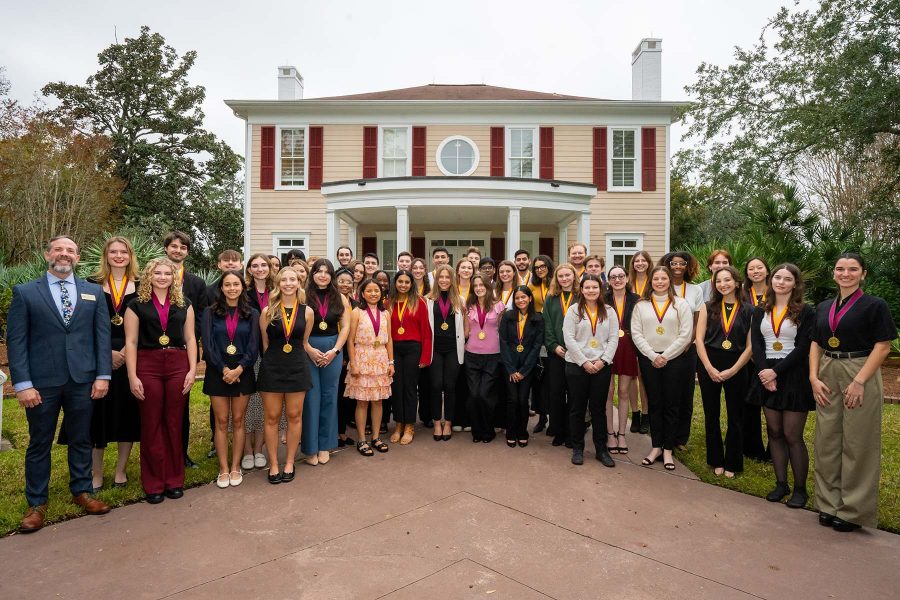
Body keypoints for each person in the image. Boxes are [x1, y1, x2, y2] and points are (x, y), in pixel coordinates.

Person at [8, 236, 113, 532]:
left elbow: (101, 337)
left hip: (83, 380)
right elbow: (17, 343)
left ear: (78, 257)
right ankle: (37, 503)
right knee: (40, 442)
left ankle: (82, 491)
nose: (64, 255)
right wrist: (23, 384)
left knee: (81, 438)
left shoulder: (93, 292)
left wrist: (103, 376)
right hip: (42, 383)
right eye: (58, 250)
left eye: (70, 251)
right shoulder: (26, 293)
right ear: (47, 255)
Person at [809, 253, 894, 532]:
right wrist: (813, 376)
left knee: (858, 442)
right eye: (840, 269)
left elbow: (883, 346)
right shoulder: (823, 307)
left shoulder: (874, 306)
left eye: (853, 269)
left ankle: (852, 510)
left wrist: (859, 381)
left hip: (860, 369)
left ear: (863, 274)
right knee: (827, 440)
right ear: (833, 273)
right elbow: (816, 344)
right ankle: (828, 503)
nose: (846, 274)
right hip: (827, 369)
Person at [124, 257, 198, 503]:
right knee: (152, 422)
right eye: (158, 273)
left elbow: (190, 339)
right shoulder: (136, 305)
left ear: (173, 277)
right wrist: (132, 376)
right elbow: (131, 342)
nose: (163, 277)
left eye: (168, 273)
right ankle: (154, 483)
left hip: (178, 365)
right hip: (148, 364)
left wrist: (191, 370)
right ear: (149, 276)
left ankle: (174, 479)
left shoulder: (184, 304)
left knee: (174, 423)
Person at [746, 263, 815, 509]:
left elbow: (804, 347)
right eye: (778, 277)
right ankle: (780, 483)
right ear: (771, 280)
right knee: (774, 432)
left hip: (793, 374)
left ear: (795, 284)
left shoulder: (806, 311)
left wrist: (776, 371)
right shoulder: (759, 310)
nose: (781, 282)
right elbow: (757, 342)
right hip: (766, 373)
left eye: (787, 279)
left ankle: (800, 490)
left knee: (791, 434)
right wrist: (765, 372)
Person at [87, 236, 141, 491]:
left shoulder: (142, 287)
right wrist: (107, 353)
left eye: (124, 252)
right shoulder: (90, 285)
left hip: (132, 359)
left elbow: (151, 324)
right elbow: (80, 326)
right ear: (106, 256)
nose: (119, 256)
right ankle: (96, 474)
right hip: (98, 359)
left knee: (126, 416)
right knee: (97, 418)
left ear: (131, 256)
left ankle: (120, 470)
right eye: (114, 252)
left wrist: (125, 353)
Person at [631, 266, 693, 471]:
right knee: (655, 403)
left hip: (674, 360)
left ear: (669, 281)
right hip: (649, 359)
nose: (659, 282)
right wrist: (652, 355)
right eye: (655, 278)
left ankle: (668, 449)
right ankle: (656, 446)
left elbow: (685, 334)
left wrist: (665, 356)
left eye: (663, 278)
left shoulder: (681, 304)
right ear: (651, 281)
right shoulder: (641, 306)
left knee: (672, 404)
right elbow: (636, 333)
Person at [201, 271, 259, 488]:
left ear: (242, 288)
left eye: (236, 284)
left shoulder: (252, 313)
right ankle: (223, 468)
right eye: (228, 284)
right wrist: (224, 369)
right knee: (221, 421)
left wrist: (239, 369)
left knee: (238, 421)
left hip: (242, 372)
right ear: (221, 288)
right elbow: (208, 345)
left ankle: (236, 466)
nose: (232, 288)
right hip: (218, 372)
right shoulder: (209, 313)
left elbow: (254, 347)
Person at [695, 266, 753, 478]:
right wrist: (709, 367)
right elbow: (698, 339)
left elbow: (750, 346)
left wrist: (734, 369)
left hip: (737, 365)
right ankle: (715, 459)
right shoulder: (707, 307)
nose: (723, 284)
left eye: (727, 280)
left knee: (736, 416)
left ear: (737, 282)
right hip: (709, 362)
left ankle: (733, 462)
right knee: (712, 414)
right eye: (719, 281)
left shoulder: (749, 311)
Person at [257, 267, 313, 484]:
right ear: (278, 284)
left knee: (294, 416)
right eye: (284, 280)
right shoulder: (267, 311)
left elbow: (304, 342)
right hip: (273, 368)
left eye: (293, 279)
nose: (288, 283)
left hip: (297, 367)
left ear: (299, 283)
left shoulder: (307, 311)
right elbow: (265, 343)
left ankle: (289, 461)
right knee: (271, 418)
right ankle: (273, 464)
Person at [563, 275, 619, 466]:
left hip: (601, 366)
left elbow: (613, 339)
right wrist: (584, 362)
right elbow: (569, 338)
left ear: (600, 289)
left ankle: (601, 450)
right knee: (577, 409)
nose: (591, 290)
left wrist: (603, 360)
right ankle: (577, 448)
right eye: (587, 287)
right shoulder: (573, 310)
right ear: (581, 289)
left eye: (595, 287)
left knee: (598, 409)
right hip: (577, 366)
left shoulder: (609, 311)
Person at [163, 231, 207, 469]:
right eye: (173, 246)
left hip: (182, 350)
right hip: (153, 351)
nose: (177, 250)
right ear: (166, 249)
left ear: (187, 252)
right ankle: (161, 454)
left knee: (181, 407)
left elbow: (200, 318)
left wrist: (189, 342)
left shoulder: (196, 283)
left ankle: (181, 453)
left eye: (182, 247)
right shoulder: (153, 278)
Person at [302, 259, 352, 465]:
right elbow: (297, 324)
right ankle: (310, 447)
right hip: (308, 347)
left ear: (332, 275)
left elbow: (346, 327)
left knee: (330, 396)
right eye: (318, 271)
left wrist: (335, 350)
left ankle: (325, 445)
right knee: (311, 398)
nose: (322, 275)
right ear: (312, 274)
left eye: (327, 272)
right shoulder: (303, 296)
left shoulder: (340, 297)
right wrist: (308, 348)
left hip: (333, 347)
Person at [345, 278, 395, 456]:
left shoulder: (386, 313)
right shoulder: (356, 312)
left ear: (381, 293)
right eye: (369, 290)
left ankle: (376, 437)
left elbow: (389, 340)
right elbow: (350, 340)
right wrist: (353, 363)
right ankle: (361, 439)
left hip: (380, 357)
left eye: (377, 290)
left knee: (378, 400)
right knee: (362, 402)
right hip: (362, 357)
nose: (373, 293)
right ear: (362, 293)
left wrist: (391, 362)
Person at [202, 249, 244, 458]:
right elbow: (207, 337)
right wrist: (223, 368)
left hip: (242, 363)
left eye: (234, 261)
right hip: (217, 362)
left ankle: (240, 449)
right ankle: (215, 441)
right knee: (219, 415)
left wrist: (238, 368)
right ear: (219, 264)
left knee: (239, 416)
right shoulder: (209, 293)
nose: (230, 264)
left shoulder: (247, 302)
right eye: (225, 261)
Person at [385, 270, 432, 445]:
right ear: (395, 283)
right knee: (397, 387)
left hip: (413, 348)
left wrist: (425, 356)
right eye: (400, 281)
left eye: (407, 282)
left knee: (411, 388)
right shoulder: (388, 302)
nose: (403, 285)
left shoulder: (419, 302)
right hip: (394, 348)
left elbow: (426, 332)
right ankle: (398, 424)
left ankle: (410, 425)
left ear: (411, 284)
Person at [663, 251, 703, 450]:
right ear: (667, 265)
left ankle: (680, 438)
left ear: (688, 266)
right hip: (664, 348)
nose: (677, 267)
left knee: (685, 394)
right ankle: (662, 432)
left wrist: (689, 341)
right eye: (673, 263)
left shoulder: (695, 291)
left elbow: (697, 320)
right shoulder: (661, 285)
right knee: (665, 393)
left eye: (682, 263)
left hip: (688, 348)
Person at [499, 286, 545, 448]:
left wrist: (524, 371)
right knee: (512, 399)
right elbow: (503, 342)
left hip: (528, 367)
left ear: (530, 299)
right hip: (509, 366)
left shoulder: (538, 319)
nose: (521, 300)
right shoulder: (507, 317)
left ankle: (522, 432)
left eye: (524, 297)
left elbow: (536, 346)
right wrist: (511, 369)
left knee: (523, 400)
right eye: (517, 298)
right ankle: (511, 432)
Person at [241, 254, 275, 470]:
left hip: (272, 355)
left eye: (264, 265)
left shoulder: (278, 292)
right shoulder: (243, 293)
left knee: (264, 405)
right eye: (255, 266)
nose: (260, 269)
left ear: (270, 268)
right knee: (246, 404)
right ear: (249, 270)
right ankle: (246, 450)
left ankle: (260, 449)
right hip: (247, 354)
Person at [463, 274, 506, 442]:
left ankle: (488, 430)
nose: (479, 288)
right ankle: (477, 430)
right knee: (474, 395)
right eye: (476, 285)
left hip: (493, 356)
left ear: (489, 287)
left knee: (485, 395)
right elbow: (466, 331)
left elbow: (503, 332)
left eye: (482, 285)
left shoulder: (499, 306)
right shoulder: (469, 306)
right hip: (472, 355)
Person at [426, 265, 465, 440]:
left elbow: (466, 326)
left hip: (453, 349)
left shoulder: (460, 300)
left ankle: (448, 422)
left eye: (447, 277)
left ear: (452, 279)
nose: (443, 280)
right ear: (436, 279)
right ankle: (436, 422)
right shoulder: (427, 300)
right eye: (440, 277)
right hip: (434, 350)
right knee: (435, 386)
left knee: (450, 386)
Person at [604, 265, 639, 456]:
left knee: (624, 391)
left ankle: (622, 434)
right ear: (608, 281)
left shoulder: (636, 300)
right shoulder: (603, 299)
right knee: (608, 392)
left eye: (621, 276)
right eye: (613, 277)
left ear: (626, 278)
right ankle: (610, 433)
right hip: (608, 346)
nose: (617, 280)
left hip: (628, 346)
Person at [543, 263, 579, 447]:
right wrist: (553, 345)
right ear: (556, 278)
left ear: (574, 276)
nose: (564, 279)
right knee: (556, 393)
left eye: (567, 275)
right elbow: (547, 323)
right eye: (561, 276)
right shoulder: (551, 298)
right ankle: (558, 431)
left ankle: (573, 433)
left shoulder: (581, 296)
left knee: (574, 394)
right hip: (556, 352)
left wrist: (576, 349)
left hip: (577, 354)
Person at [741, 256, 772, 462]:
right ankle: (752, 447)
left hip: (772, 356)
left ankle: (774, 450)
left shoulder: (776, 292)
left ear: (767, 271)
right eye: (751, 268)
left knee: (772, 404)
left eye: (759, 267)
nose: (755, 271)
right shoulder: (742, 294)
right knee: (748, 403)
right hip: (746, 356)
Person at [527, 254, 554, 432]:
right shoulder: (532, 286)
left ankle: (555, 418)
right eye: (537, 267)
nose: (540, 269)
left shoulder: (556, 284)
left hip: (553, 333)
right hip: (537, 333)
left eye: (543, 266)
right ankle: (542, 416)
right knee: (539, 377)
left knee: (554, 378)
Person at [627, 250, 653, 434]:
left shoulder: (654, 283)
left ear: (649, 263)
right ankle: (634, 413)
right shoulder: (627, 282)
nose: (640, 264)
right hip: (628, 334)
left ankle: (646, 414)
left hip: (648, 333)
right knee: (631, 377)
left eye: (643, 261)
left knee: (644, 377)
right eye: (637, 261)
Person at [334, 268, 358, 448]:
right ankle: (330, 433)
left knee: (345, 397)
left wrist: (350, 357)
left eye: (348, 281)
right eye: (341, 281)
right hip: (332, 352)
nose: (345, 284)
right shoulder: (330, 303)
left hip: (350, 354)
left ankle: (341, 432)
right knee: (332, 396)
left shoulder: (356, 305)